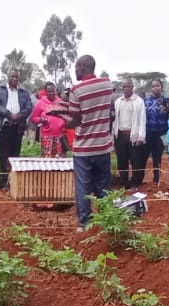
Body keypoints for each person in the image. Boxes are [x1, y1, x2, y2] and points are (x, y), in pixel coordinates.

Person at [50, 55, 115, 232]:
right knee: (103, 186)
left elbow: (76, 120)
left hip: (84, 148)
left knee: (83, 186)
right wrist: (65, 108)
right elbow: (94, 111)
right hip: (102, 146)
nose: (75, 71)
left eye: (76, 68)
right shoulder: (107, 85)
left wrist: (60, 116)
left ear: (82, 67)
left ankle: (85, 223)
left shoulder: (77, 90)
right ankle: (107, 220)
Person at [0, 68, 34, 185]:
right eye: (12, 76)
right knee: (3, 156)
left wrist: (18, 116)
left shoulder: (24, 92)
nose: (14, 79)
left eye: (16, 77)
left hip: (17, 128)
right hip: (3, 127)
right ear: (7, 77)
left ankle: (14, 183)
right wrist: (8, 114)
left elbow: (29, 107)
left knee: (15, 155)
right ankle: (5, 183)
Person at [112, 79, 147, 189]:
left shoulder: (138, 101)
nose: (125, 89)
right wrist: (113, 136)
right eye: (124, 87)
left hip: (133, 135)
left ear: (132, 87)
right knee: (121, 160)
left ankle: (135, 183)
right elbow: (114, 120)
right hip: (120, 135)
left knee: (135, 161)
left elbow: (142, 120)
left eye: (128, 86)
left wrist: (141, 137)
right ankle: (123, 183)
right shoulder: (118, 102)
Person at [30, 82, 68, 158]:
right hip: (47, 137)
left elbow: (66, 116)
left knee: (60, 159)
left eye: (53, 91)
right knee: (47, 159)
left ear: (55, 91)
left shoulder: (60, 102)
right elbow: (33, 118)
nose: (51, 93)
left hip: (60, 136)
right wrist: (41, 120)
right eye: (49, 92)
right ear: (46, 92)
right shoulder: (40, 103)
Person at [143, 79, 169, 186]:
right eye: (153, 86)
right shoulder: (145, 101)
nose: (155, 88)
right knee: (144, 155)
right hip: (148, 133)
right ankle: (140, 178)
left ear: (161, 87)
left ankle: (157, 178)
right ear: (151, 88)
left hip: (162, 133)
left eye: (158, 85)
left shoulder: (167, 100)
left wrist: (166, 110)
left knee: (157, 156)